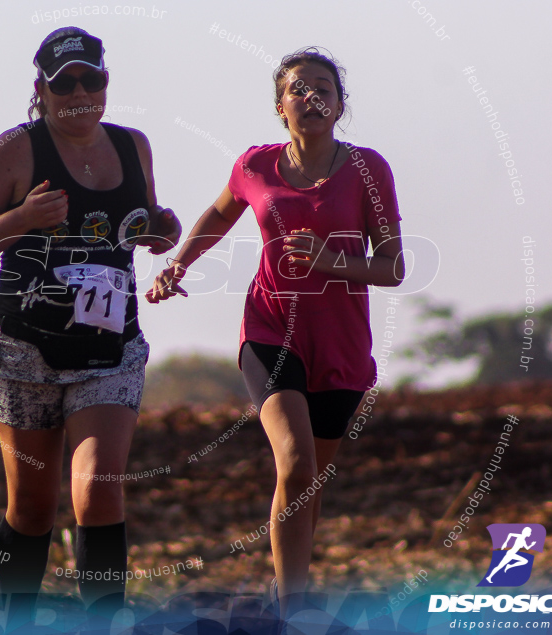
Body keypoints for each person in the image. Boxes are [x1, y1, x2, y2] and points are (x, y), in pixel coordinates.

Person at [146, 48, 404, 611]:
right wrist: (179, 263)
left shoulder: (368, 170)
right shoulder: (254, 166)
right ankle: (296, 610)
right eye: (298, 89)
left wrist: (328, 261)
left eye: (323, 89)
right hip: (270, 332)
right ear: (280, 106)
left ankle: (287, 589)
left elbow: (393, 267)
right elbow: (219, 213)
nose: (311, 97)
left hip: (341, 345)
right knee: (295, 463)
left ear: (339, 105)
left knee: (308, 485)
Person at [0, 27, 180, 626]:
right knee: (31, 508)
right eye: (64, 83)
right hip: (24, 348)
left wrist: (161, 229)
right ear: (42, 90)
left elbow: (140, 224)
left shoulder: (134, 146)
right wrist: (22, 217)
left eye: (91, 79)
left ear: (106, 82)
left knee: (98, 491)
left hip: (111, 349)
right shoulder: (18, 149)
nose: (80, 92)